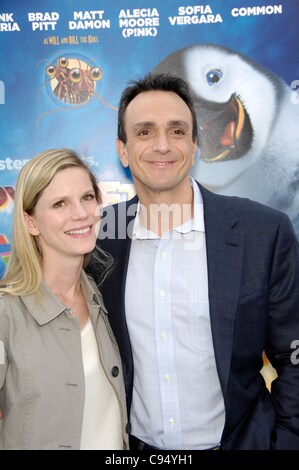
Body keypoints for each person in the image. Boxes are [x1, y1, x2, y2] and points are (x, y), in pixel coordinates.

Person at [89, 73, 299, 450]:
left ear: (195, 143)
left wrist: (285, 441)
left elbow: (293, 355)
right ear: (122, 149)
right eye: (144, 132)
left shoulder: (263, 232)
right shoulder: (97, 239)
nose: (162, 145)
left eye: (177, 131)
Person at [0, 149, 129, 450]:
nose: (81, 213)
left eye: (87, 197)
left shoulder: (108, 295)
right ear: (31, 222)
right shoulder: (6, 312)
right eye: (60, 203)